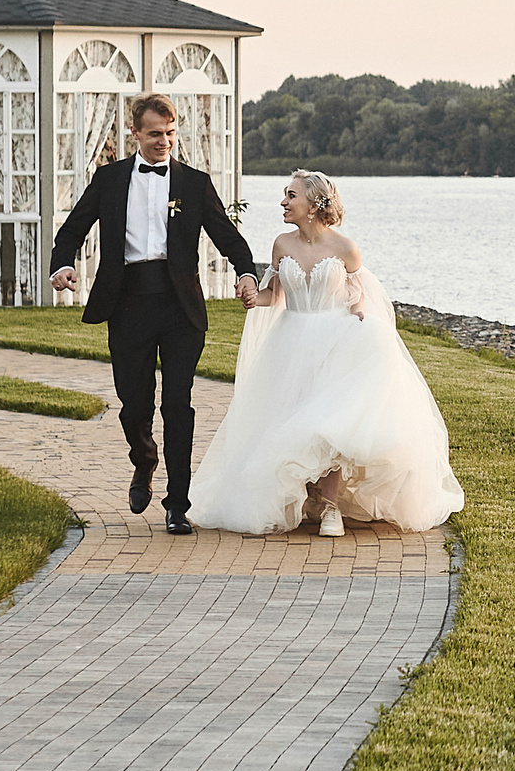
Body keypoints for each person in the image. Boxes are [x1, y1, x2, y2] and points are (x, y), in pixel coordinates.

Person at [187, 170, 463, 537]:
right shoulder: (282, 245)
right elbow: (277, 295)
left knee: (329, 422)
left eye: (291, 195)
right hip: (290, 340)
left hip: (335, 338)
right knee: (288, 420)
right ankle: (304, 497)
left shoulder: (345, 248)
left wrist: (360, 312)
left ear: (314, 205)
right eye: (285, 195)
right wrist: (255, 298)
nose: (284, 202)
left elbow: (359, 293)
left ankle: (331, 506)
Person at [50, 94, 263, 535]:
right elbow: (73, 228)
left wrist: (246, 273)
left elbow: (226, 234)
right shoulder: (109, 179)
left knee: (177, 405)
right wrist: (64, 263)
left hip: (180, 305)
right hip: (128, 302)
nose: (164, 141)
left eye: (169, 133)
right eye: (154, 134)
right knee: (134, 404)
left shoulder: (195, 183)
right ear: (135, 133)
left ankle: (177, 504)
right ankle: (144, 458)